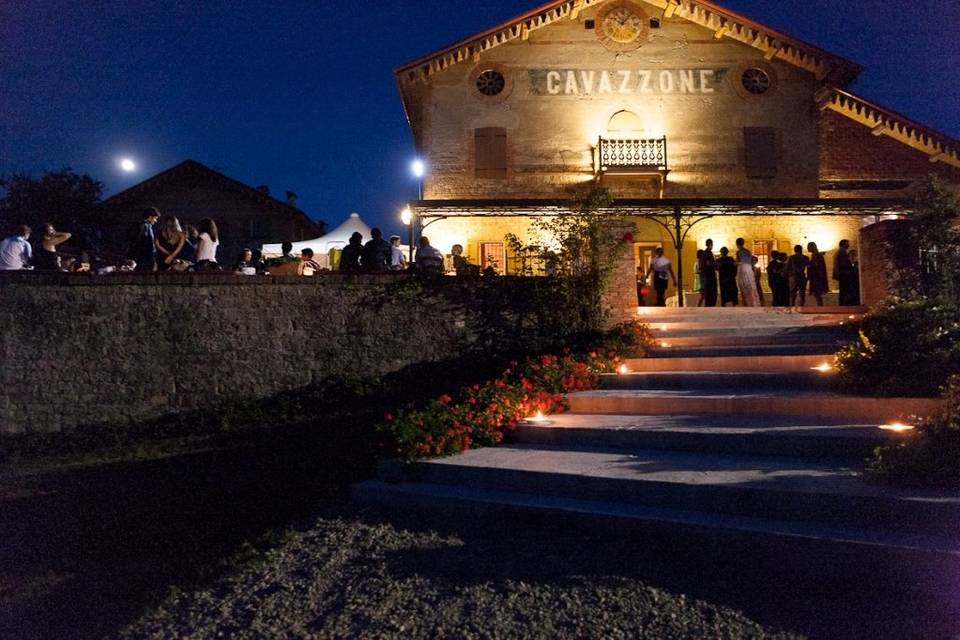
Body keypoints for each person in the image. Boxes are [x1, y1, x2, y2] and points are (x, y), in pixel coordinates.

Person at [133, 208, 161, 272]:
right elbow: (144, 242)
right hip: (145, 259)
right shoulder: (144, 226)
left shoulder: (146, 226)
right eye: (155, 218)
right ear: (150, 217)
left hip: (145, 258)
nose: (156, 221)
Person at [735, 238, 760, 307]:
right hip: (748, 269)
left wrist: (735, 263)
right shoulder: (748, 251)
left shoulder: (738, 252)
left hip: (742, 269)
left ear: (737, 244)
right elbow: (752, 262)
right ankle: (753, 302)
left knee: (743, 286)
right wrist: (754, 270)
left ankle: (746, 303)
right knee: (750, 285)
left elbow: (738, 261)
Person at [834, 239, 857, 306]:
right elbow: (844, 264)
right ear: (843, 244)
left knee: (843, 290)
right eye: (847, 243)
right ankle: (844, 304)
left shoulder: (839, 252)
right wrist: (852, 267)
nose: (848, 245)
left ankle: (843, 304)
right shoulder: (842, 252)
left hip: (842, 274)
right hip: (844, 274)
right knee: (845, 290)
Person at [807, 241, 828, 306]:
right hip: (817, 277)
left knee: (817, 294)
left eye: (808, 247)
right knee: (817, 295)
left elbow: (816, 266)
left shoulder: (816, 255)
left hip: (816, 278)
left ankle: (820, 307)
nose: (807, 248)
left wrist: (809, 264)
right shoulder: (817, 255)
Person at [700, 239, 718, 307]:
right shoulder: (708, 252)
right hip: (710, 276)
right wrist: (716, 264)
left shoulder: (705, 252)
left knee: (709, 295)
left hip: (708, 276)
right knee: (711, 294)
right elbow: (708, 263)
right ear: (711, 244)